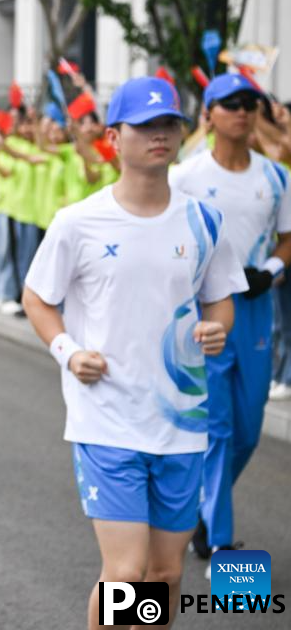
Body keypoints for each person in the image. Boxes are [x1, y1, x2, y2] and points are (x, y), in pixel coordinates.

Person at [22, 76, 245, 629]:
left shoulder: (204, 220)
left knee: (166, 574)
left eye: (168, 123)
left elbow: (219, 300)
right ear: (115, 138)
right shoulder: (79, 222)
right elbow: (37, 298)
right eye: (145, 126)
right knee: (125, 572)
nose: (159, 135)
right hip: (108, 420)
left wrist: (217, 328)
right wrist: (68, 351)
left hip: (182, 421)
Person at [169, 73, 291, 571]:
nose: (242, 111)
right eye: (231, 103)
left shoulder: (276, 177)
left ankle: (201, 502)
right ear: (209, 114)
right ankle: (218, 537)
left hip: (256, 306)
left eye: (250, 103)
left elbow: (288, 238)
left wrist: (272, 271)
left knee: (248, 426)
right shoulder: (185, 176)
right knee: (217, 425)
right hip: (204, 310)